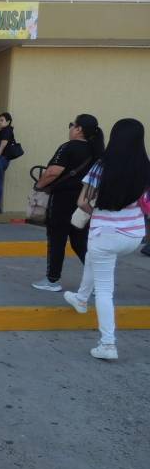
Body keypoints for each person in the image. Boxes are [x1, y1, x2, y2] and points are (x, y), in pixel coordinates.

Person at [63, 118, 150, 360]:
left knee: (104, 290)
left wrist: (99, 212)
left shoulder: (102, 166)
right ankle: (81, 298)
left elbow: (82, 201)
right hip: (134, 236)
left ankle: (108, 344)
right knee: (94, 257)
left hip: (105, 235)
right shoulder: (145, 167)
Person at [32, 114, 104, 291]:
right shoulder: (96, 150)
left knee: (57, 238)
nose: (70, 127)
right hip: (83, 200)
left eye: (72, 124)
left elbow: (52, 172)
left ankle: (52, 280)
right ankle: (99, 281)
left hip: (62, 199)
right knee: (80, 241)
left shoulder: (68, 147)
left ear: (79, 129)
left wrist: (38, 186)